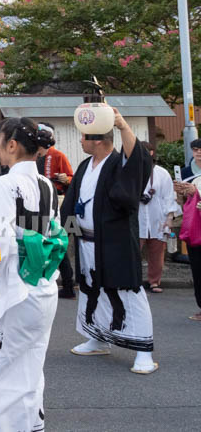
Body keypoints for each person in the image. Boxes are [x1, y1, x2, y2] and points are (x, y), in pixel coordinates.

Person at [0, 118, 68, 431]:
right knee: (32, 362)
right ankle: (30, 422)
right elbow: (55, 231)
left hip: (15, 285)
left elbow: (2, 241)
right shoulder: (47, 185)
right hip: (45, 283)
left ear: (10, 145)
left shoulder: (3, 184)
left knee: (1, 364)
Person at [62, 107, 157, 374]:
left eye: (84, 137)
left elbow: (138, 160)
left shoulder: (119, 164)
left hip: (114, 242)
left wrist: (123, 126)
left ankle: (143, 351)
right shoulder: (84, 166)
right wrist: (67, 232)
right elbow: (71, 204)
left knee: (127, 292)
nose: (80, 141)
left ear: (99, 140)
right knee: (92, 291)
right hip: (87, 242)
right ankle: (98, 337)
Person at [35, 123, 77, 298]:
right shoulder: (32, 156)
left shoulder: (58, 155)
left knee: (55, 243)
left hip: (56, 202)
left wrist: (64, 178)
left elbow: (71, 178)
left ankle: (68, 282)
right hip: (37, 204)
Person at [137, 142, 178, 293]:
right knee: (134, 251)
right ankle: (133, 280)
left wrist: (169, 218)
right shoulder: (131, 171)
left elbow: (169, 197)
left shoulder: (162, 173)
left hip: (157, 217)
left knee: (157, 252)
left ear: (152, 153)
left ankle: (154, 281)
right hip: (138, 217)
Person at [172, 147, 201, 321]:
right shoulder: (189, 174)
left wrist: (196, 193)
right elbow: (184, 204)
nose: (199, 153)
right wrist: (181, 194)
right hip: (195, 228)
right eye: (196, 149)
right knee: (197, 269)